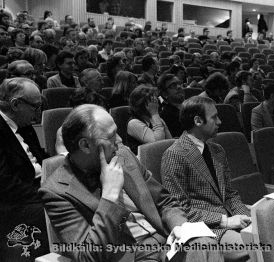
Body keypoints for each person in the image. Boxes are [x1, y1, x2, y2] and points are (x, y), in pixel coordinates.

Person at [40, 104, 223, 262]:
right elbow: (88, 256)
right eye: (111, 137)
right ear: (85, 145)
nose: (119, 140)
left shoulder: (124, 154)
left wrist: (180, 226)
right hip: (130, 256)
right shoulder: (56, 191)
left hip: (167, 242)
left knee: (204, 244)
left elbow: (164, 201)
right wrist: (110, 197)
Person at [161, 96, 251, 262]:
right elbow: (180, 209)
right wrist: (226, 221)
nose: (220, 121)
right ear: (197, 121)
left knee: (270, 230)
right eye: (214, 117)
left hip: (232, 219)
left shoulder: (217, 150)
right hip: (207, 229)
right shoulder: (174, 155)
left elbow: (230, 194)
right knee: (257, 246)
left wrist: (248, 218)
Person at [0, 78, 49, 260]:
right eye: (35, 107)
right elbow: (5, 184)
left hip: (38, 185)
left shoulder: (24, 126)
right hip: (15, 201)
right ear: (15, 104)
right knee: (64, 207)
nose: (38, 113)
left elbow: (41, 159)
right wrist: (46, 193)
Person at [127, 85, 172, 154]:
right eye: (152, 100)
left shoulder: (155, 118)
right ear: (142, 104)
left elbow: (170, 142)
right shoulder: (133, 123)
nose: (156, 103)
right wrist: (154, 114)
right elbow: (158, 144)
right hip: (143, 162)